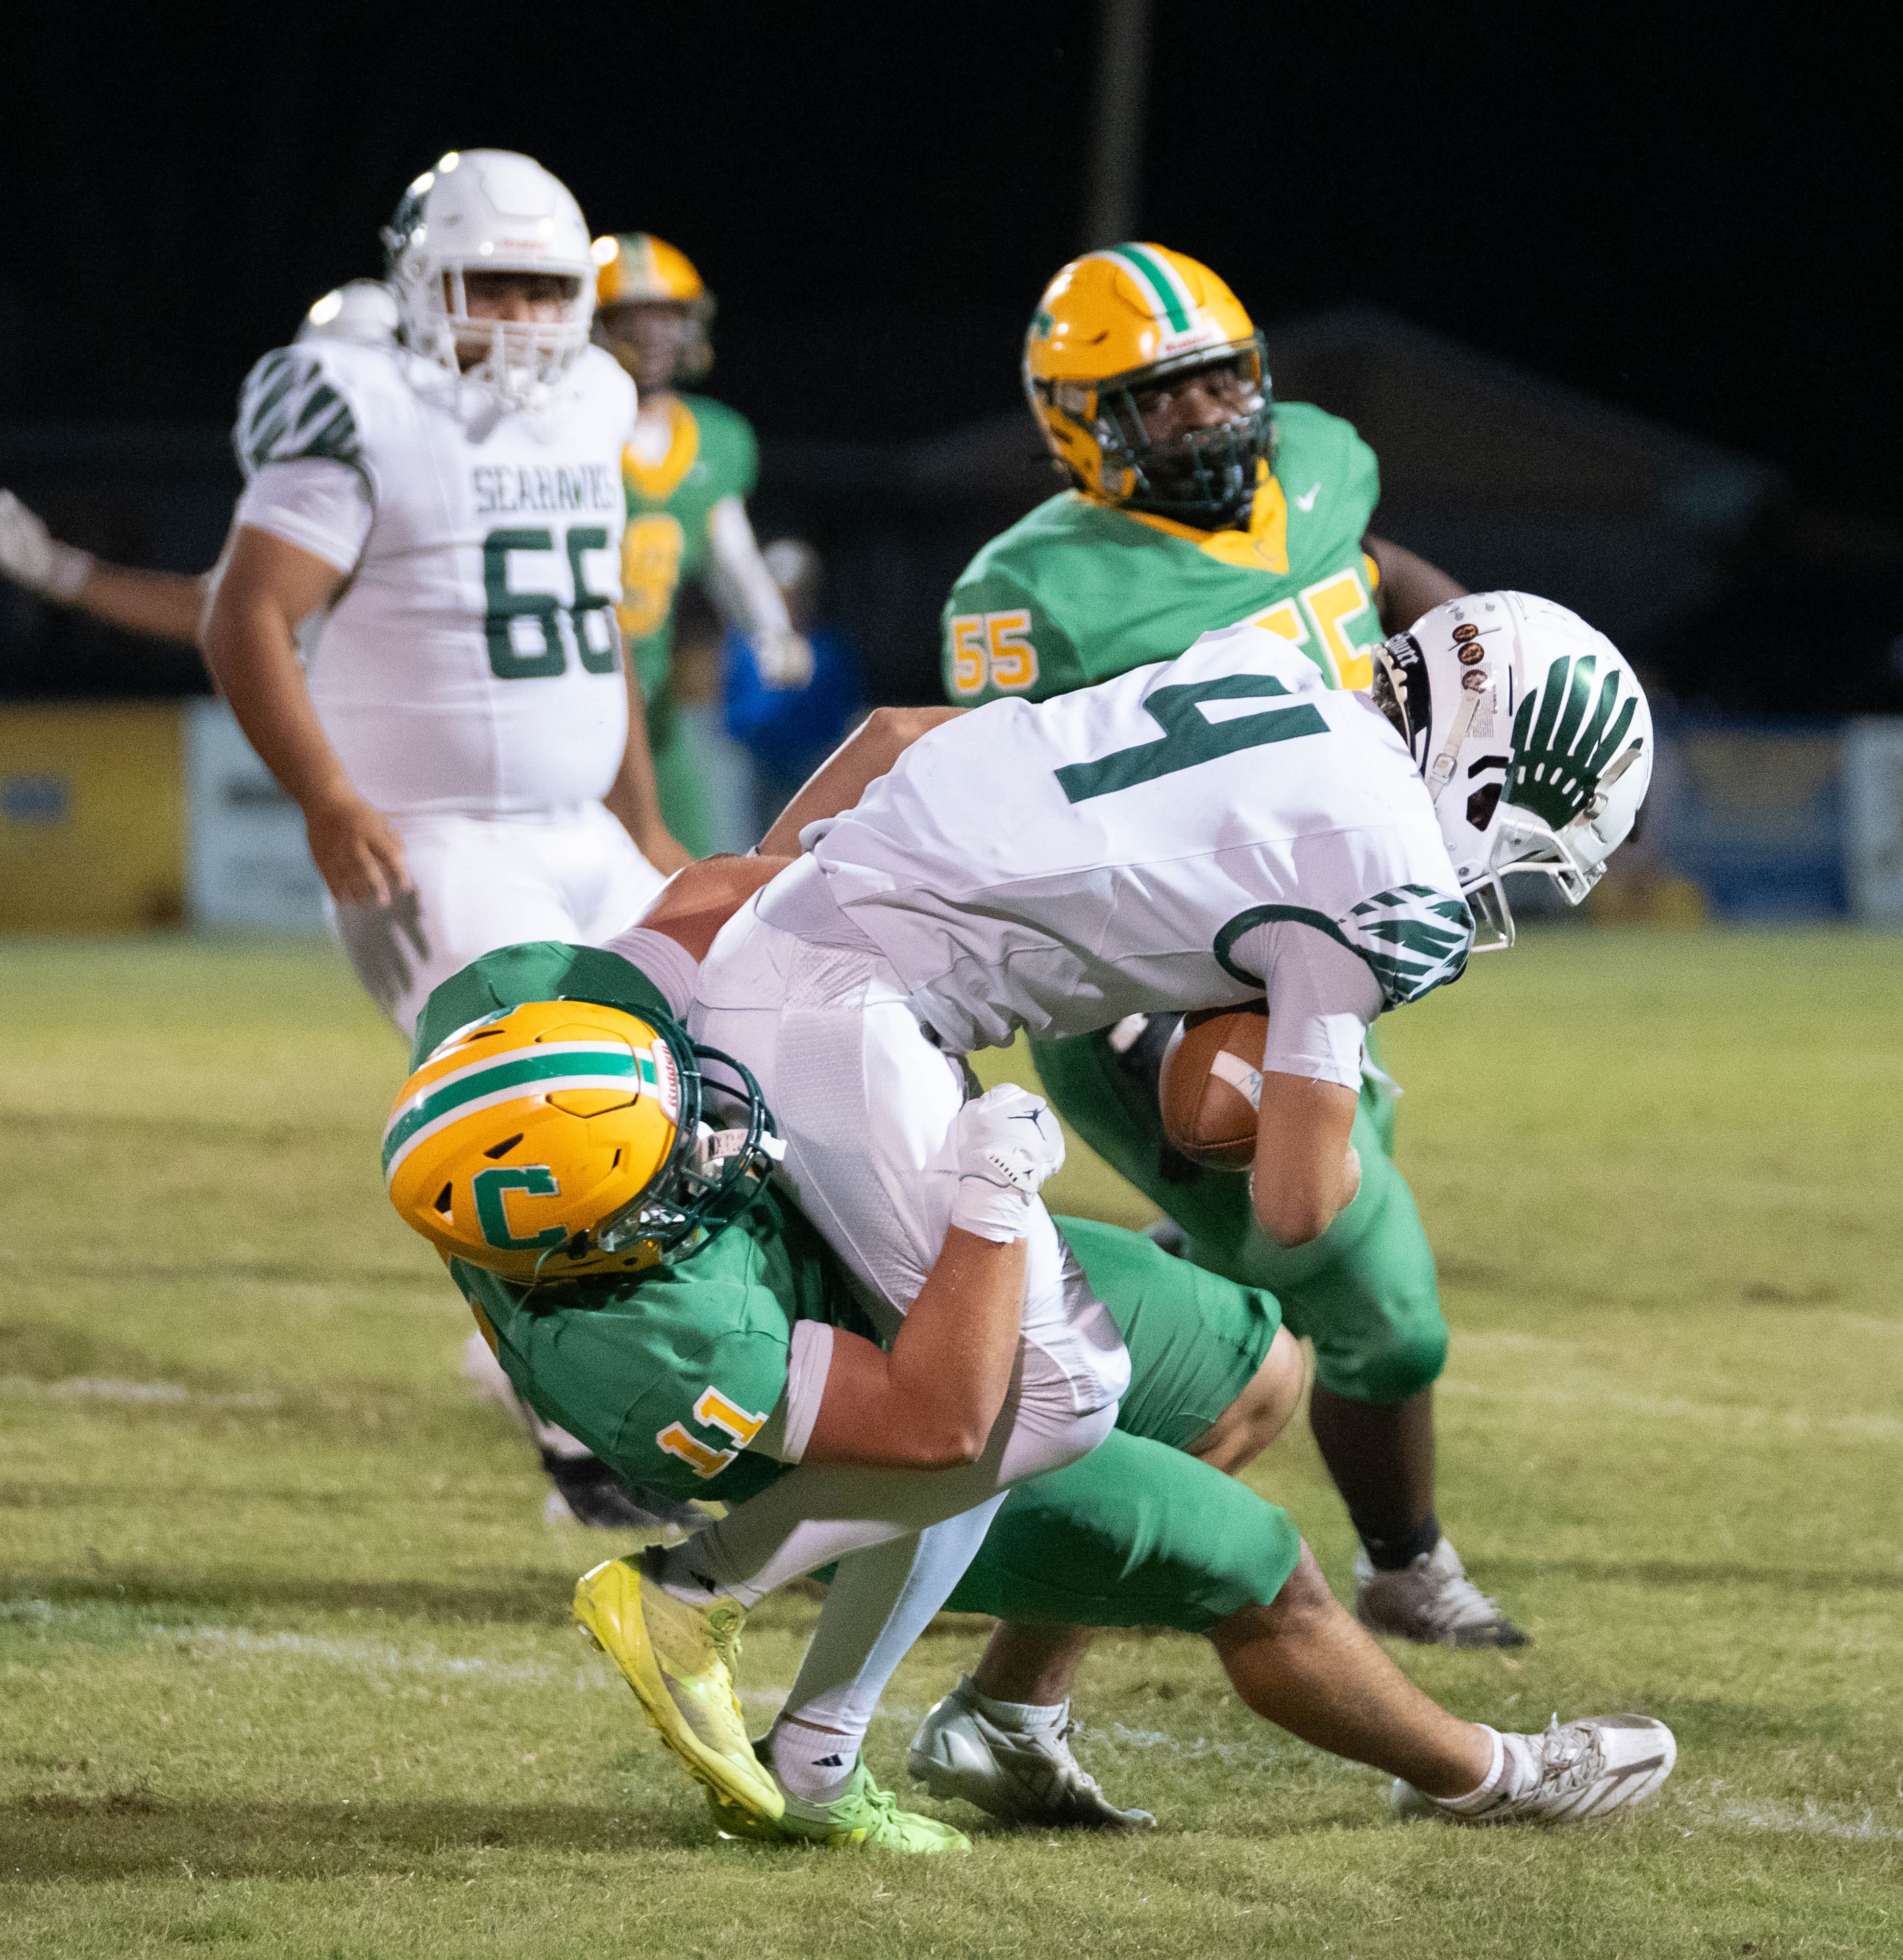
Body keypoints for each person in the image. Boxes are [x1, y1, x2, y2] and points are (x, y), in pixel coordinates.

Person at [667, 587, 1650, 1834]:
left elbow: (900, 736)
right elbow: (1296, 1204)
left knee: (1107, 1372)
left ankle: (842, 1743)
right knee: (1037, 1385)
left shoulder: (1263, 666)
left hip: (807, 960)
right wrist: (1324, 1110)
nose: (1501, 870)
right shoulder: (1391, 863)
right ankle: (695, 1585)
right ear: (1489, 766)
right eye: (1523, 836)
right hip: (850, 1013)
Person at [391, 926, 1677, 1847]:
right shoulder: (673, 1346)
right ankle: (1483, 1775)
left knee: (1253, 1363)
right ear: (598, 1245)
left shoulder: (522, 1012)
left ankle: (1005, 1715)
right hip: (879, 1411)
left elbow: (718, 895)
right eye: (676, 1168)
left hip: (864, 1245)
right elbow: (940, 1419)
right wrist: (993, 1191)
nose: (718, 1146)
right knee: (1254, 1565)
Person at [940, 242, 1516, 1646]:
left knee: (1265, 1256)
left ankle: (1020, 1425)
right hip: (1150, 984)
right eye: (1160, 395)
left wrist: (1487, 660)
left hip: (1308, 940)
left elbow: (1372, 576)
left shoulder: (1316, 461)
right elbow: (991, 810)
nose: (1204, 413)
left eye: (1216, 380)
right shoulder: (1028, 592)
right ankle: (1405, 1565)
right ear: (1078, 423)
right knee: (1380, 1304)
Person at [198, 151, 684, 1041]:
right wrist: (327, 798)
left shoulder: (595, 399)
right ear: (421, 285)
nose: (521, 318)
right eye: (489, 287)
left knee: (733, 1058)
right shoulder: (366, 400)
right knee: (556, 1077)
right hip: (439, 844)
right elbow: (246, 614)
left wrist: (644, 826)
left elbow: (593, 624)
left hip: (590, 836)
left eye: (544, 291)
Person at [0, 281, 400, 647]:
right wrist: (57, 570)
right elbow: (220, 610)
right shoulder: (324, 489)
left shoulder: (409, 491)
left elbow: (228, 613)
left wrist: (59, 572)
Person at [592, 234, 813, 856]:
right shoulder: (568, 428)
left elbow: (730, 554)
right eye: (630, 316)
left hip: (654, 703)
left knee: (687, 867)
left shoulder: (714, 437)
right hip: (566, 694)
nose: (653, 334)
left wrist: (770, 627)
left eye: (667, 315)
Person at [723, 538, 865, 842]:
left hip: (815, 773)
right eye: (782, 593)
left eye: (800, 593)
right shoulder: (744, 647)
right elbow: (733, 717)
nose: (792, 602)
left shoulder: (831, 650)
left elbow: (843, 717)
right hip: (758, 772)